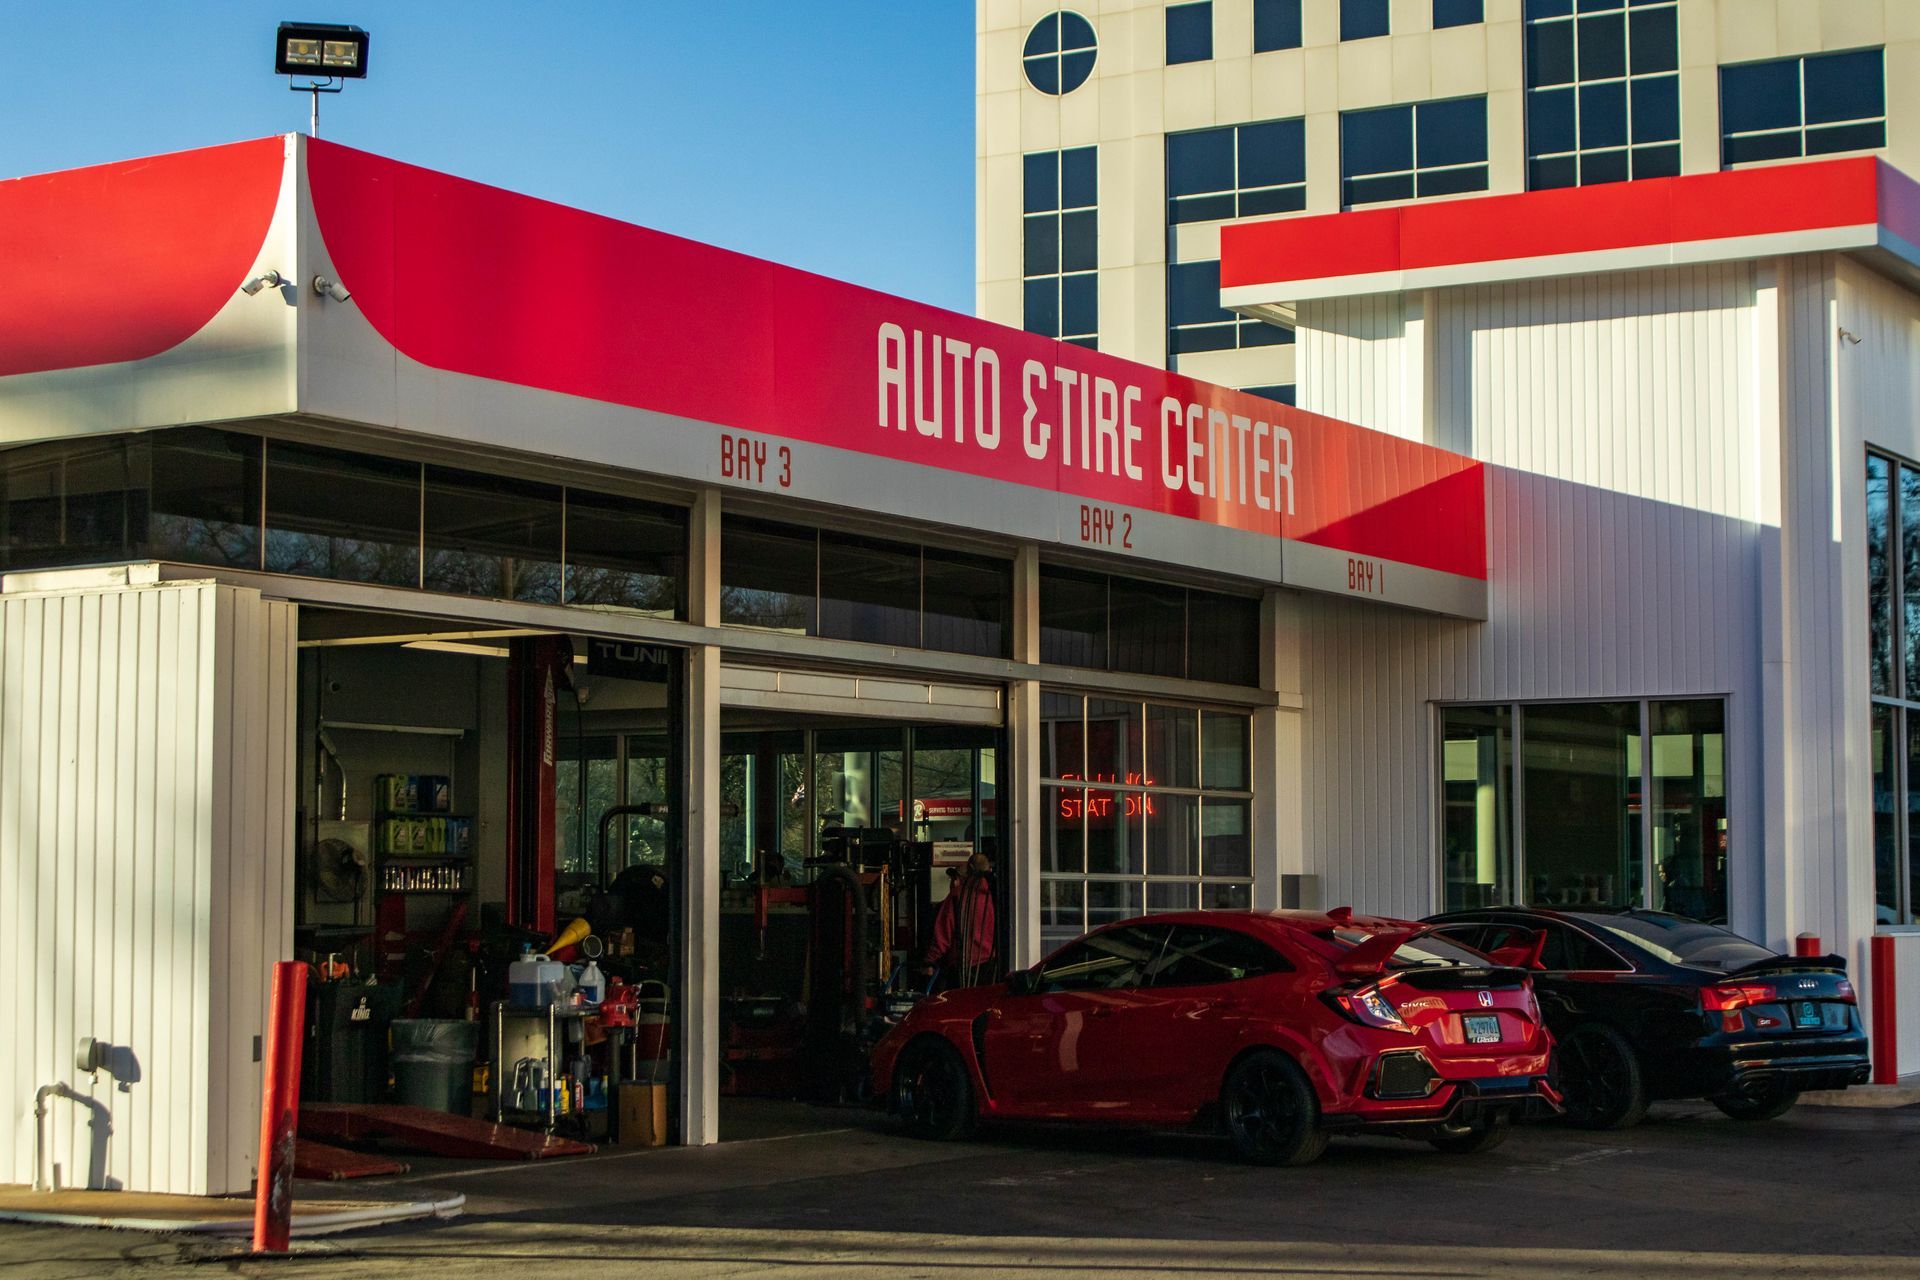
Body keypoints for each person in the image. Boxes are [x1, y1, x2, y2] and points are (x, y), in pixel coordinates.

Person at [920, 851, 997, 991]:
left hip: (964, 967)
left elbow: (943, 934)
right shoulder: (996, 896)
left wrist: (929, 961)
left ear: (970, 870)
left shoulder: (959, 896)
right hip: (991, 966)